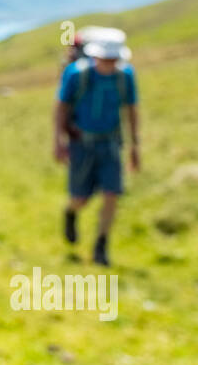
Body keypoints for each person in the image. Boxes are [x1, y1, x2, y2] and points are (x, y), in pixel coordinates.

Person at [53, 36, 139, 266]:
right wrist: (58, 141)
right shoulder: (76, 74)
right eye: (105, 59)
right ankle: (71, 212)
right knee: (81, 197)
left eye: (113, 60)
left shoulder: (125, 77)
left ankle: (101, 246)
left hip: (111, 143)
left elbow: (131, 109)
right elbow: (61, 107)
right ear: (95, 56)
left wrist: (135, 146)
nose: (109, 64)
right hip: (81, 143)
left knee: (112, 193)